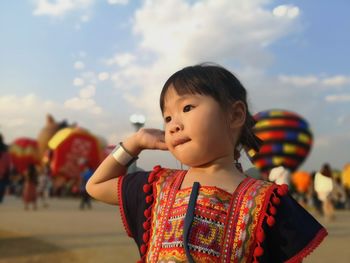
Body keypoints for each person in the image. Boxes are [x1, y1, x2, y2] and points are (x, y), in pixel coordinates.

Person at [87, 64, 327, 262]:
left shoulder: (268, 201)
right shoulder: (156, 187)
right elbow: (96, 185)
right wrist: (134, 143)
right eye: (167, 117)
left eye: (187, 107)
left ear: (234, 115)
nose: (173, 124)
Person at [0, 134, 11, 203]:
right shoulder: (5, 148)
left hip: (3, 167)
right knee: (2, 185)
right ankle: (0, 198)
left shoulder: (5, 148)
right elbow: (8, 160)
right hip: (4, 169)